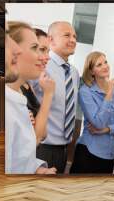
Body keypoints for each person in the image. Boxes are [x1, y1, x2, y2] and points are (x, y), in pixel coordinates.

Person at [5, 21, 56, 174]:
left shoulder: (21, 95)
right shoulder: (7, 109)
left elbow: (19, 156)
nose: (44, 57)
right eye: (36, 48)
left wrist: (36, 168)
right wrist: (48, 94)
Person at [29, 21, 81, 173]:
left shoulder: (74, 72)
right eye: (67, 35)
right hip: (41, 148)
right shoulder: (40, 65)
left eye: (74, 36)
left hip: (64, 150)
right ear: (51, 39)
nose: (73, 40)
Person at [70, 52, 114, 174]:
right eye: (99, 65)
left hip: (109, 156)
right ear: (92, 71)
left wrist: (108, 129)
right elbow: (98, 123)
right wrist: (109, 93)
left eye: (105, 62)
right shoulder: (85, 92)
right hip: (88, 153)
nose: (105, 66)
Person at [20, 28, 50, 127]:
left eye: (48, 51)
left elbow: (42, 133)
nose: (48, 57)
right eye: (42, 49)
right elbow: (38, 135)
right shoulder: (12, 87)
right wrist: (48, 94)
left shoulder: (27, 84)